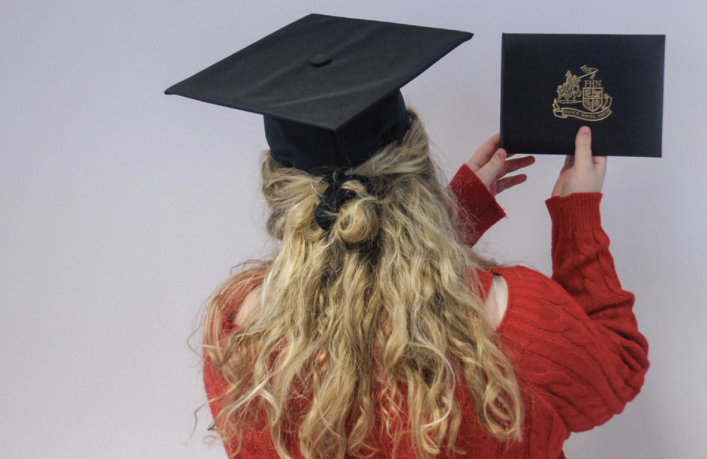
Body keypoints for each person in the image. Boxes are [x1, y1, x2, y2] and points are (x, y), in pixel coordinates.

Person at [167, 14, 649, 459]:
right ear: (415, 168)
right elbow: (619, 367)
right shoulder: (517, 326)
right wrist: (576, 216)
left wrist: (460, 213)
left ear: (280, 187)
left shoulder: (236, 328)